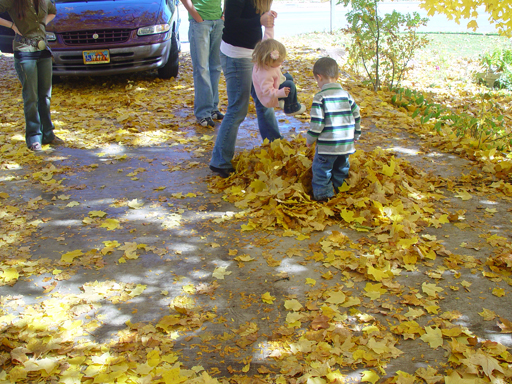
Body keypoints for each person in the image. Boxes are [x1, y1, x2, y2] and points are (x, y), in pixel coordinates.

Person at [209, 0, 282, 178]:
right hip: (236, 56)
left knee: (264, 100)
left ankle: (276, 149)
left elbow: (252, 16)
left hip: (254, 55)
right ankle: (219, 161)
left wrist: (266, 17)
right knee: (238, 108)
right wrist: (259, 21)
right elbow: (231, 22)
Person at [0, 0, 63, 152]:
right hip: (24, 50)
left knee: (45, 96)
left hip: (43, 50)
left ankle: (48, 134)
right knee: (31, 96)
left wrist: (41, 23)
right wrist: (12, 26)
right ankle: (34, 138)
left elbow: (52, 11)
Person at [306, 57, 361, 202]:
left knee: (322, 170)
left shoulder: (320, 97)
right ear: (337, 77)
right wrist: (356, 134)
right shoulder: (347, 96)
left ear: (319, 77)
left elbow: (317, 124)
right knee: (341, 168)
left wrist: (310, 139)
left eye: (317, 81)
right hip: (346, 144)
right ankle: (339, 190)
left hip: (327, 146)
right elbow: (357, 115)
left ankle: (325, 196)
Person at [181, 0, 224, 128]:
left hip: (218, 21)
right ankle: (203, 113)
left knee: (215, 68)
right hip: (200, 23)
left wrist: (223, 16)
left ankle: (213, 108)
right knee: (202, 69)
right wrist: (198, 17)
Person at [252, 37, 306, 116]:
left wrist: (269, 27)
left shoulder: (266, 63)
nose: (282, 63)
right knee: (290, 85)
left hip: (274, 86)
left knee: (288, 77)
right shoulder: (265, 74)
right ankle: (291, 108)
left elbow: (268, 39)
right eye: (280, 61)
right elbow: (267, 91)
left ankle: (283, 101)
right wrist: (280, 93)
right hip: (269, 98)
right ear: (269, 61)